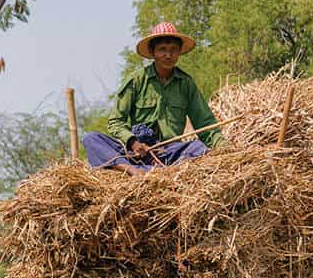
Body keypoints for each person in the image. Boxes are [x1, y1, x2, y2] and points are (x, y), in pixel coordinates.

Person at [83, 22, 226, 176]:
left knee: (198, 148)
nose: (168, 55)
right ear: (152, 52)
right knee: (91, 139)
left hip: (170, 152)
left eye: (173, 50)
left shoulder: (186, 84)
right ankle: (130, 170)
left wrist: (224, 147)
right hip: (136, 154)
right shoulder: (136, 81)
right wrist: (133, 143)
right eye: (162, 49)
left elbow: (205, 123)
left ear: (179, 53)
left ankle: (157, 170)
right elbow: (115, 122)